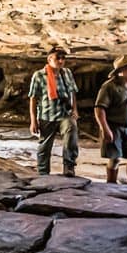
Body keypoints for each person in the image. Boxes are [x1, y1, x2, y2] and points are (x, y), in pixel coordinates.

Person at [94, 56, 127, 184]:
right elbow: (100, 109)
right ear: (120, 71)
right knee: (115, 158)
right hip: (114, 127)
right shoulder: (109, 87)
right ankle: (111, 183)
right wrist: (105, 129)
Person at [28, 46, 79, 176]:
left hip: (64, 113)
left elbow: (72, 92)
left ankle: (69, 167)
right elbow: (33, 98)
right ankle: (43, 171)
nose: (61, 61)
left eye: (63, 58)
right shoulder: (39, 75)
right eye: (58, 58)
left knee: (71, 132)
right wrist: (33, 121)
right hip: (47, 115)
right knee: (45, 145)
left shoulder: (66, 73)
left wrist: (74, 110)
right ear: (50, 59)